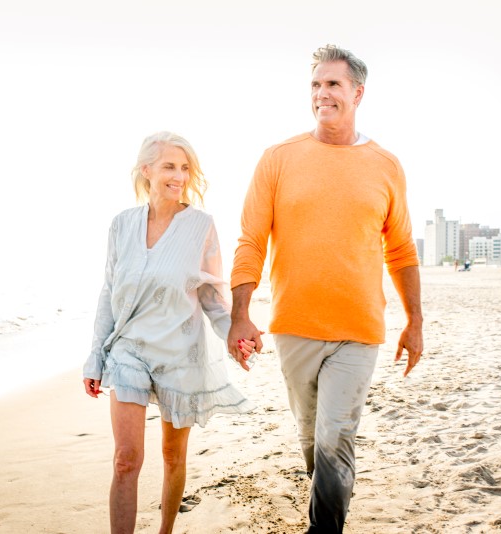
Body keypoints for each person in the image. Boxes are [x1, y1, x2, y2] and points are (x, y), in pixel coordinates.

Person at [227, 44, 424, 532]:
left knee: (336, 435)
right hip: (295, 325)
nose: (322, 94)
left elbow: (400, 251)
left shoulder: (386, 165)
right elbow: (251, 239)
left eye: (333, 84)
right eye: (315, 84)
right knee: (313, 439)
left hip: (359, 328)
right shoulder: (277, 159)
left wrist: (415, 320)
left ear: (358, 92)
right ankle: (328, 508)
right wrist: (240, 313)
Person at [82, 131, 255, 534]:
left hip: (180, 351)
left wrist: (235, 335)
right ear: (147, 171)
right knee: (126, 458)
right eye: (169, 166)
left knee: (173, 455)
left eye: (184, 167)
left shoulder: (201, 227)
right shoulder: (122, 225)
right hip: (128, 350)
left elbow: (213, 297)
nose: (178, 176)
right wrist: (96, 354)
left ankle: (165, 531)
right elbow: (109, 291)